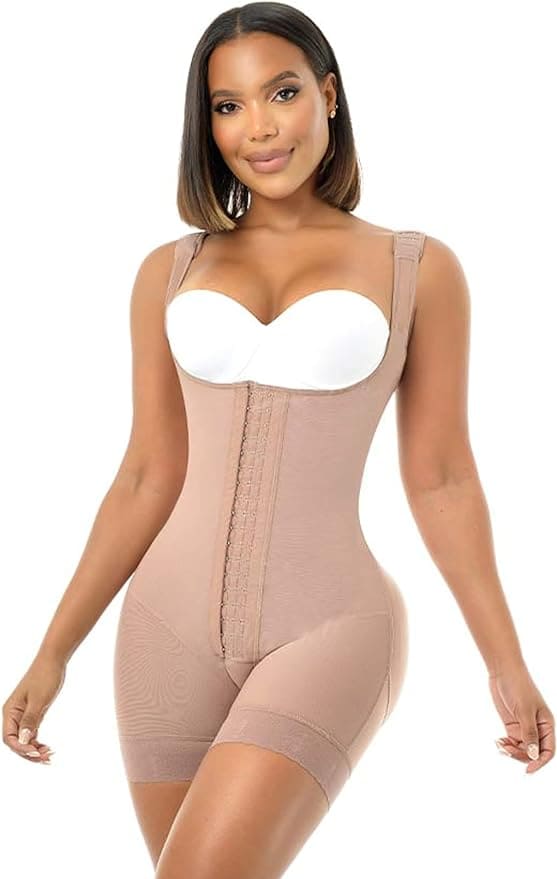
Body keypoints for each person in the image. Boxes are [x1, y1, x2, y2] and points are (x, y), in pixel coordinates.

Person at [3, 3, 554, 878]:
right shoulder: (170, 270)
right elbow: (146, 473)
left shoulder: (417, 268)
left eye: (282, 92)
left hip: (329, 626)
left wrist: (505, 661)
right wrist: (51, 650)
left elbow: (442, 477)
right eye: (227, 106)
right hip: (162, 632)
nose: (257, 127)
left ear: (328, 95)